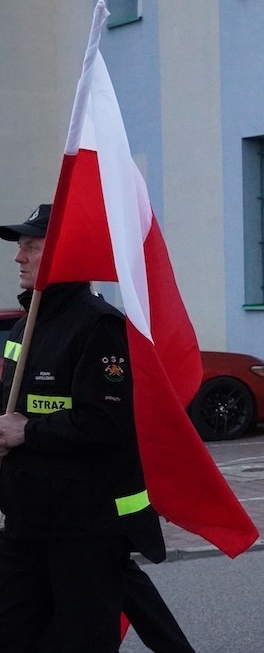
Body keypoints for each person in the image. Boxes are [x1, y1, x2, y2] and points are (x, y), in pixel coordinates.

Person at [0, 204, 167, 650]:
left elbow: (106, 421)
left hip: (81, 525)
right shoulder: (23, 330)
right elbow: (7, 410)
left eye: (31, 247)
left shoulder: (99, 326)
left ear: (63, 255)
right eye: (20, 247)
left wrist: (27, 433)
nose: (19, 258)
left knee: (81, 640)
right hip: (24, 519)